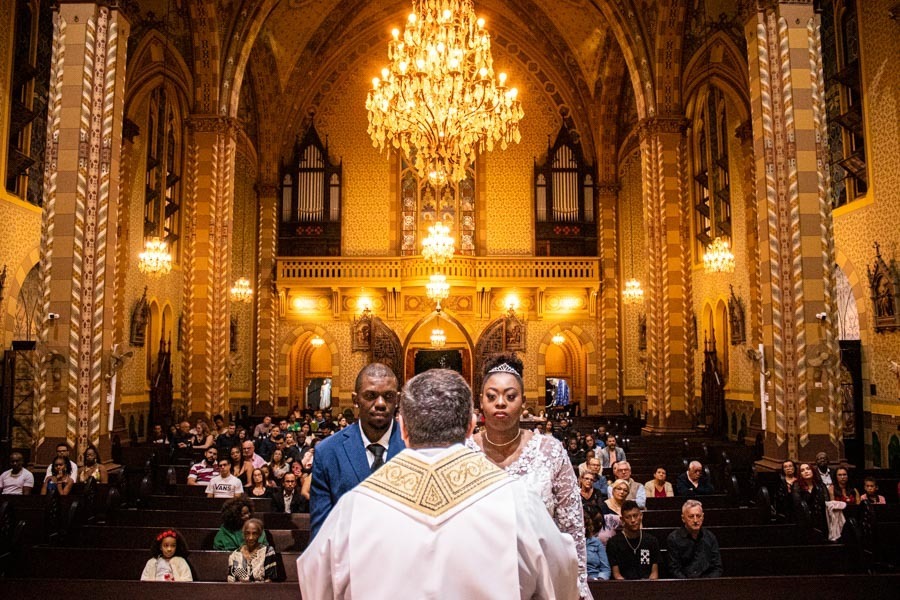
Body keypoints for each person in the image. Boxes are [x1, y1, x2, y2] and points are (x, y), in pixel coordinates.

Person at [298, 368, 579, 600]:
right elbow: (562, 577)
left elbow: (316, 581)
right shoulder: (517, 502)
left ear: (403, 429)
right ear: (470, 427)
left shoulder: (355, 507)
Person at [467, 352, 591, 599]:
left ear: (523, 402)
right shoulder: (463, 451)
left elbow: (572, 527)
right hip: (477, 581)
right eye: (492, 396)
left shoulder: (550, 451)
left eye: (510, 396)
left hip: (542, 584)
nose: (500, 403)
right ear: (480, 402)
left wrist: (578, 586)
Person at [309, 362, 405, 539]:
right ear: (355, 400)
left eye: (388, 396)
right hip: (348, 554)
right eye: (370, 396)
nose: (380, 403)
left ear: (398, 399)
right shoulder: (328, 452)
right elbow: (321, 533)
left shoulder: (416, 447)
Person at [666, 499, 723, 578]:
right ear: (683, 518)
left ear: (703, 517)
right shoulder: (673, 538)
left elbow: (717, 567)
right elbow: (674, 569)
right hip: (683, 583)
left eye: (698, 516)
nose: (695, 520)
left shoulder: (710, 537)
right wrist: (690, 583)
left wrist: (707, 582)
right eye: (691, 516)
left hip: (707, 582)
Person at [607, 500, 661, 580]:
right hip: (624, 585)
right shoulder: (613, 543)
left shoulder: (651, 541)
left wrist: (648, 585)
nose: (633, 520)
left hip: (647, 584)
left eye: (635, 516)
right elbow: (617, 575)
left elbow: (654, 573)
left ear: (641, 516)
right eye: (628, 517)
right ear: (622, 520)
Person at [227, 518, 277, 583]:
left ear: (259, 534)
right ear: (244, 534)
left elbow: (269, 579)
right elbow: (231, 580)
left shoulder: (267, 552)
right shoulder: (235, 556)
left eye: (254, 533)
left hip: (261, 588)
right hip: (240, 588)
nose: (251, 537)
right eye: (247, 533)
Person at [793, 462, 829, 531]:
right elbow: (798, 504)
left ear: (813, 471)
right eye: (802, 470)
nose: (806, 471)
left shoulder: (821, 485)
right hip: (804, 520)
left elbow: (826, 501)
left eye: (808, 469)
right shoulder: (797, 486)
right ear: (800, 474)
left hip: (821, 518)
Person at [585, 510, 611, 581]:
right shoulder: (569, 541)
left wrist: (600, 579)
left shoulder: (596, 542)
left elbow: (605, 569)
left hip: (595, 579)